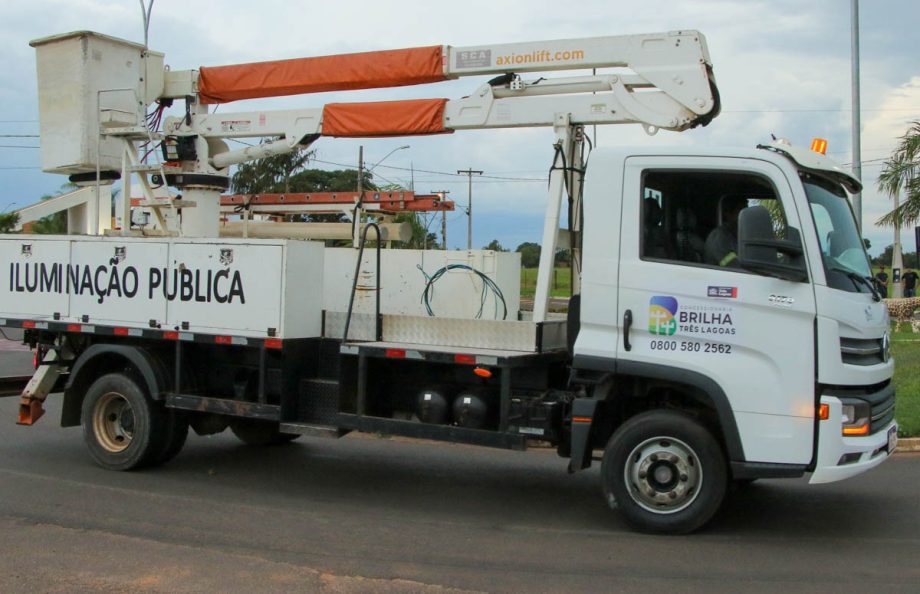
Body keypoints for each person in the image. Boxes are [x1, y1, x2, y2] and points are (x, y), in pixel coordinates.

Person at [704, 198, 746, 267]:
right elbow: (735, 267)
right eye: (741, 212)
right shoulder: (719, 238)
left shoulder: (734, 234)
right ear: (728, 214)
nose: (745, 217)